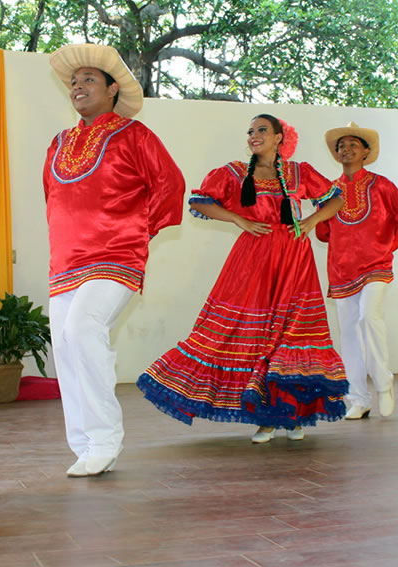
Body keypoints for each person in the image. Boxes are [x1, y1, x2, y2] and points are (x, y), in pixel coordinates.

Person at [136, 114, 348, 443]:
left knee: (290, 333)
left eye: (262, 130)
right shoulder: (235, 172)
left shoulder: (299, 172)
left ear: (280, 137)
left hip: (294, 259)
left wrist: (310, 222)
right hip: (253, 259)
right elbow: (200, 201)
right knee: (252, 333)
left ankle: (290, 417)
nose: (253, 135)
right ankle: (264, 417)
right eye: (250, 131)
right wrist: (238, 219)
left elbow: (336, 198)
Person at [44, 44, 185, 477]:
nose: (78, 87)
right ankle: (85, 444)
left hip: (116, 256)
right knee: (66, 345)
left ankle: (105, 438)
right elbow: (53, 199)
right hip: (66, 261)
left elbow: (171, 185)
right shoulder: (59, 142)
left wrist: (138, 230)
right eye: (74, 81)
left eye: (88, 80)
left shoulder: (135, 135)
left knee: (84, 329)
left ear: (112, 90)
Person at [315, 122, 398, 420]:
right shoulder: (329, 191)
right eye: (341, 146)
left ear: (366, 151)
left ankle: (384, 383)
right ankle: (358, 397)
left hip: (375, 267)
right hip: (341, 269)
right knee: (348, 333)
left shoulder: (382, 185)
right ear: (336, 154)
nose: (346, 149)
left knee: (369, 317)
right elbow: (323, 233)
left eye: (353, 145)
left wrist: (385, 248)